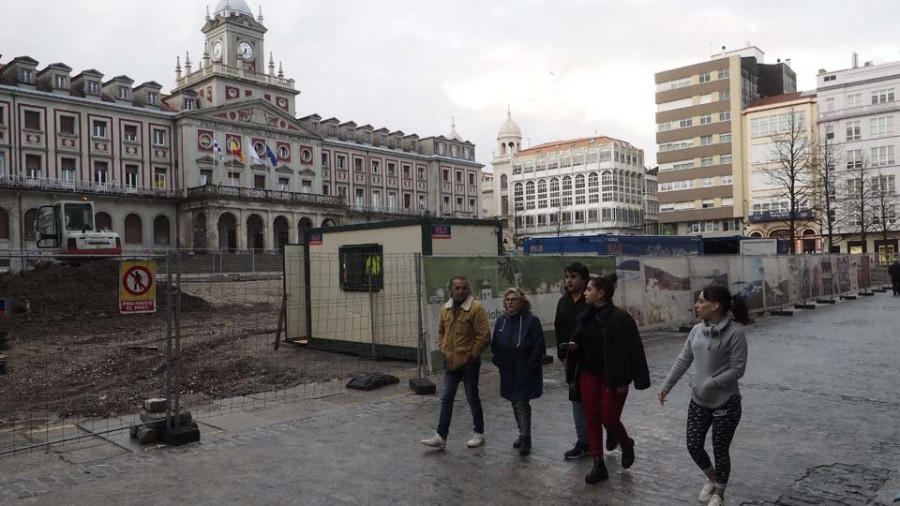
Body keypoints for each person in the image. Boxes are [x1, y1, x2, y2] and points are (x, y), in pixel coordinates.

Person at [658, 284, 751, 506]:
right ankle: (711, 478)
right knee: (693, 444)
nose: (697, 305)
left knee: (720, 449)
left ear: (715, 305)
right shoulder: (696, 331)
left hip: (726, 402)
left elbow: (738, 369)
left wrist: (712, 382)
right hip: (699, 400)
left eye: (701, 301)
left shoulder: (735, 334)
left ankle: (719, 493)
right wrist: (666, 386)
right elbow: (683, 359)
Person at [567, 273, 651, 484]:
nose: (585, 293)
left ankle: (625, 443)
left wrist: (636, 379)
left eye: (589, 289)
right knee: (592, 420)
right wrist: (573, 349)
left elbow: (635, 350)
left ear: (601, 293)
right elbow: (579, 343)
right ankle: (598, 464)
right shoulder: (584, 317)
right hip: (588, 375)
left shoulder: (621, 318)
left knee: (609, 418)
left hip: (614, 378)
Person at [421, 276, 491, 450]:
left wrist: (471, 355)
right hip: (450, 362)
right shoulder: (445, 308)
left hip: (469, 363)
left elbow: (484, 336)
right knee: (446, 398)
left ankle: (479, 432)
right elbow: (441, 332)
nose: (460, 291)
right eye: (457, 288)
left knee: (472, 397)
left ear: (468, 290)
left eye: (464, 288)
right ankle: (441, 436)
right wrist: (443, 347)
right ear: (450, 290)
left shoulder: (475, 308)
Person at [491, 288, 545, 456]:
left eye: (514, 299)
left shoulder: (532, 321)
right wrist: (499, 362)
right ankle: (522, 433)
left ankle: (526, 437)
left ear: (522, 302)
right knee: (514, 402)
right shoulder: (501, 321)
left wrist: (530, 365)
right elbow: (495, 344)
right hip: (507, 370)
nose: (510, 302)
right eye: (507, 299)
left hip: (524, 369)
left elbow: (538, 346)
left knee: (521, 402)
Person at [555, 262, 592, 459]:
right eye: (567, 276)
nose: (569, 280)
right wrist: (562, 354)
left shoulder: (590, 301)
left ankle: (613, 431)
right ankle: (583, 441)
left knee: (595, 401)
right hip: (570, 360)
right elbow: (559, 327)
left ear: (584, 280)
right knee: (576, 399)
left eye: (574, 276)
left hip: (591, 360)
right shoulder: (563, 301)